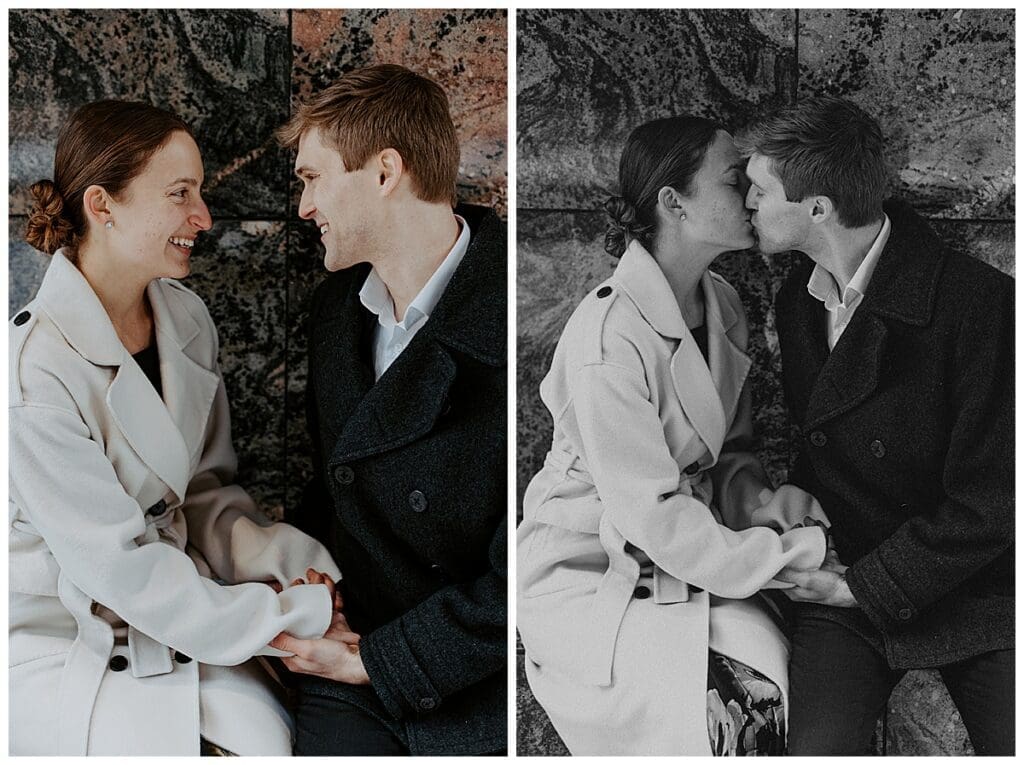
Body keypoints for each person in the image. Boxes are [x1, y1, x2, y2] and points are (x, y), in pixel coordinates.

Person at [9, 100, 343, 756]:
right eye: (180, 194)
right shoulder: (31, 375)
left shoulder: (186, 319)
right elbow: (121, 569)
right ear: (103, 207)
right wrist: (282, 620)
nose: (204, 218)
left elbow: (204, 494)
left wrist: (293, 570)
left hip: (186, 611)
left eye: (201, 193)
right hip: (72, 638)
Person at [517, 114, 832, 756]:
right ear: (674, 202)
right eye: (731, 178)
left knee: (780, 690)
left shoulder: (723, 303)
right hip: (593, 568)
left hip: (690, 556)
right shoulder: (609, 335)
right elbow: (649, 515)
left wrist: (770, 513)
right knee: (737, 710)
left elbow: (733, 453)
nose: (751, 194)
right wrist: (783, 561)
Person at [740, 95, 1014, 755]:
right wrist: (795, 516)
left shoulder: (981, 304)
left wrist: (861, 587)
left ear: (817, 208)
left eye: (758, 189)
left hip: (976, 590)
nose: (745, 201)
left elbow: (995, 500)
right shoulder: (798, 299)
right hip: (848, 579)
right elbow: (828, 448)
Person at [269, 64, 507, 756]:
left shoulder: (521, 322)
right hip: (350, 663)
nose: (304, 208)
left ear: (384, 172)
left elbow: (527, 567)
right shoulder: (336, 315)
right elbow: (340, 490)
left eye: (312, 178)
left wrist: (379, 660)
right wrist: (314, 573)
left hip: (474, 675)